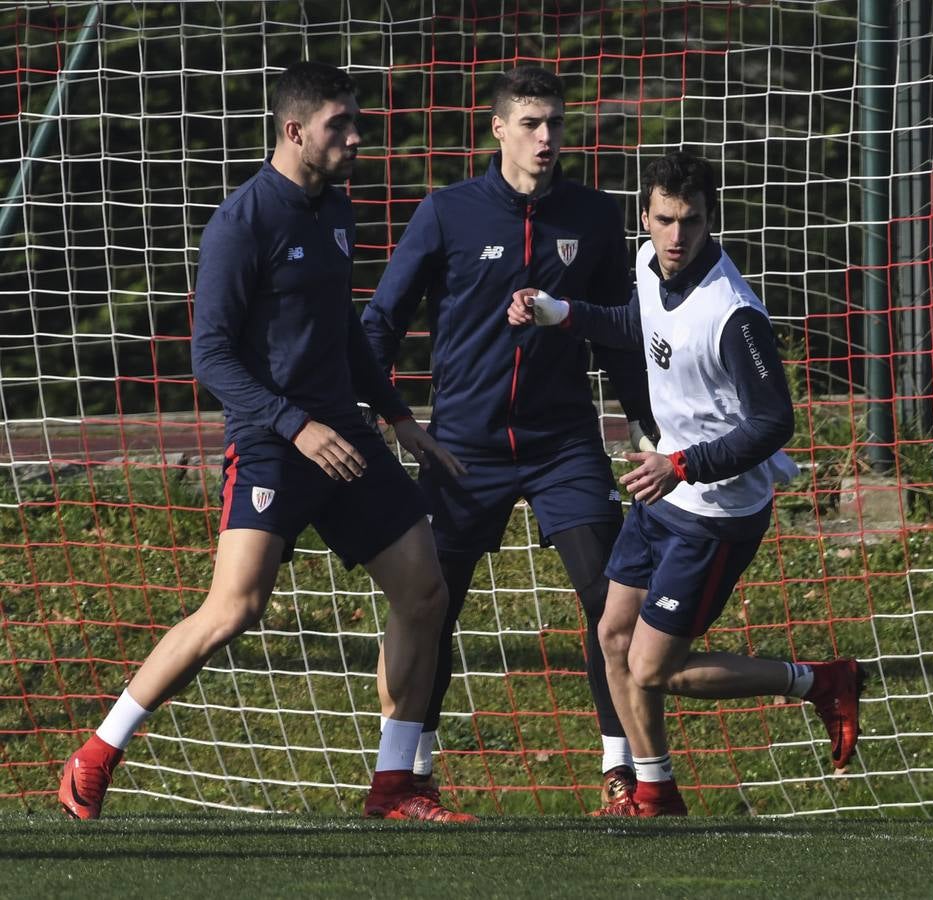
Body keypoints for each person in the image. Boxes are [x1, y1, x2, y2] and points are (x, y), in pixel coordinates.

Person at [57, 61, 475, 823]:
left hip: (343, 437)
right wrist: (294, 425)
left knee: (424, 590)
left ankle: (395, 785)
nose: (355, 137)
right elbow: (210, 356)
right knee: (235, 608)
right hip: (274, 444)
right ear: (293, 132)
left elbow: (343, 330)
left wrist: (399, 418)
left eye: (356, 122)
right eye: (339, 125)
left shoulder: (336, 210)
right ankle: (96, 754)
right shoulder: (242, 223)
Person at [507, 150, 863, 817]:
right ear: (644, 216)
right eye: (664, 220)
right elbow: (637, 327)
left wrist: (682, 465)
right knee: (612, 635)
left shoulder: (733, 314)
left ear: (710, 221)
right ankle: (655, 790)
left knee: (652, 667)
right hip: (663, 487)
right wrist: (558, 310)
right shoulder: (646, 264)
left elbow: (774, 421)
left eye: (691, 223)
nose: (676, 238)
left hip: (714, 511)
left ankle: (818, 681)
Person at [360, 66, 656, 810]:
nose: (547, 136)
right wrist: (383, 412)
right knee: (432, 603)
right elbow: (381, 323)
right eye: (530, 123)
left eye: (555, 121)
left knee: (608, 598)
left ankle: (621, 770)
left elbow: (621, 335)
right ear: (497, 129)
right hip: (464, 447)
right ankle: (409, 772)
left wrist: (651, 430)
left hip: (564, 447)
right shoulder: (446, 212)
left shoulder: (593, 216)